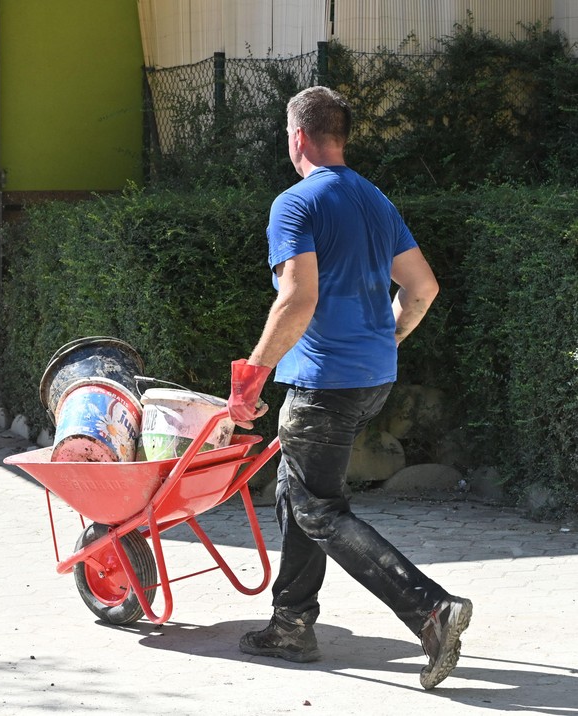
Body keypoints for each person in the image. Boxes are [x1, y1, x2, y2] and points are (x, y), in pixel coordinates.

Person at [227, 86, 471, 690]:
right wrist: (384, 341)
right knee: (297, 493)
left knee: (319, 508)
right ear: (340, 135)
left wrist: (252, 376)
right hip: (371, 378)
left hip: (323, 382)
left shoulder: (295, 204)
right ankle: (291, 624)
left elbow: (298, 299)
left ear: (297, 137)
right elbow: (422, 289)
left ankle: (429, 609)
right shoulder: (372, 198)